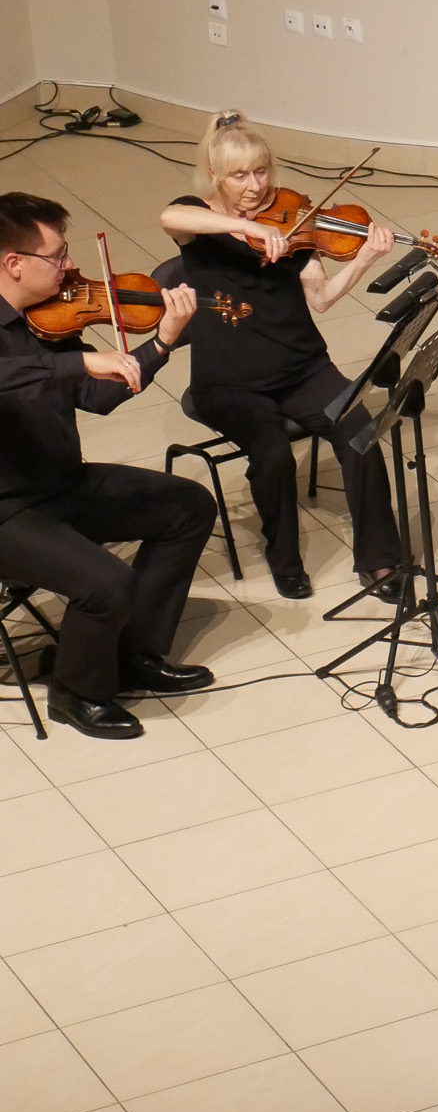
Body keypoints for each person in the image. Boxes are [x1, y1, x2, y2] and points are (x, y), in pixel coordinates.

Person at [159, 112, 403, 601]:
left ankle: (378, 562)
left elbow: (322, 298)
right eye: (240, 176)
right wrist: (242, 226)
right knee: (272, 455)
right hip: (229, 381)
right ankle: (284, 559)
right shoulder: (198, 220)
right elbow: (170, 217)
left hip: (301, 369)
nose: (255, 186)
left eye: (262, 171)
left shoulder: (294, 220)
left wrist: (363, 259)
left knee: (360, 434)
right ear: (214, 175)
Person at [0, 193, 218, 739]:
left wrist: (162, 342)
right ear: (14, 263)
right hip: (7, 512)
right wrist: (77, 361)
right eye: (57, 256)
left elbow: (96, 396)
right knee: (106, 583)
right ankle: (76, 693)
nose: (70, 265)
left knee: (187, 507)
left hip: (60, 484)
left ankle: (132, 654)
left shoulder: (47, 319)